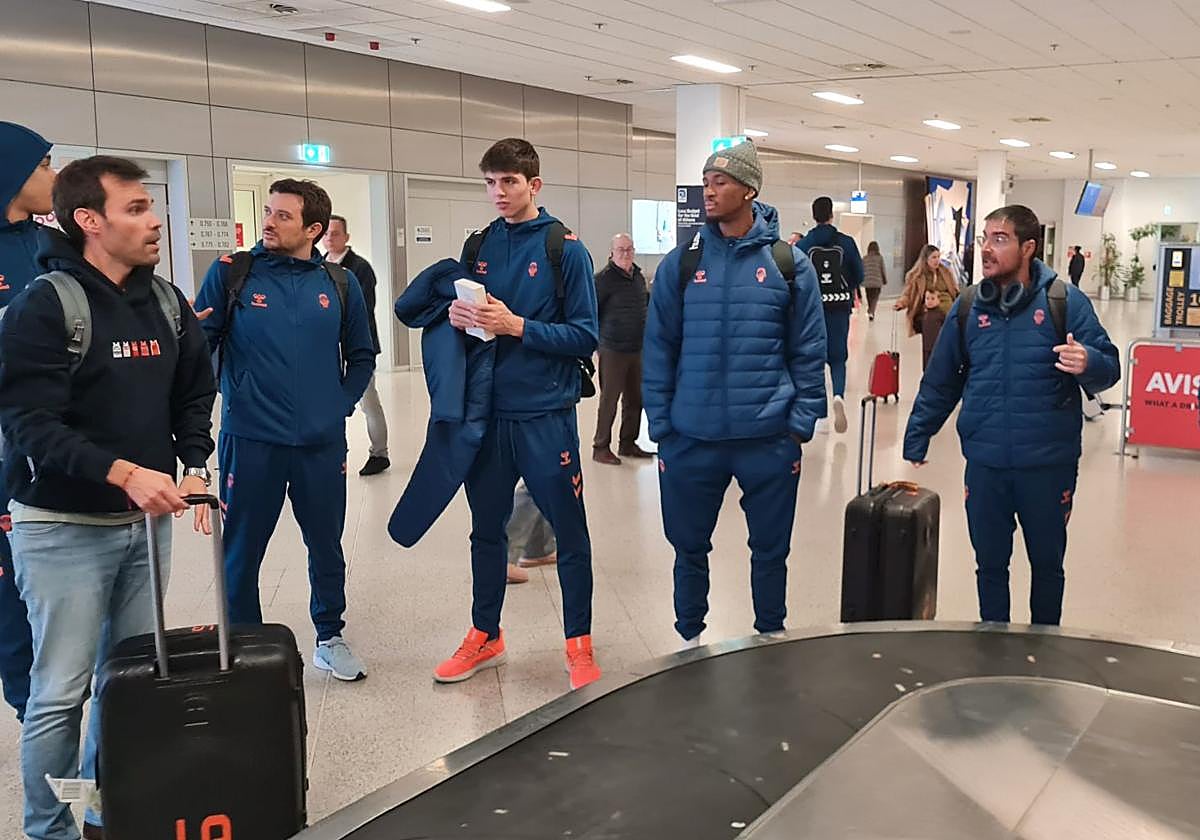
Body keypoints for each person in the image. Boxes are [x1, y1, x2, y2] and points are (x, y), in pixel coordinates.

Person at [0, 155, 216, 840]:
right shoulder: (45, 303)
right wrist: (123, 471)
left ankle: (101, 811)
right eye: (135, 209)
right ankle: (50, 829)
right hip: (61, 528)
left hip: (144, 528)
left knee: (125, 686)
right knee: (61, 693)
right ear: (88, 220)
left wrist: (194, 463)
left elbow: (194, 390)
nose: (154, 221)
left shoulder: (165, 302)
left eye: (151, 207)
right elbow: (29, 424)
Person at [642, 140, 827, 647]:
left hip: (767, 438)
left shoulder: (790, 264)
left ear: (749, 190)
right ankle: (687, 639)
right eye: (705, 182)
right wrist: (661, 425)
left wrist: (800, 423)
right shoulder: (681, 264)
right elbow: (658, 348)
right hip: (691, 437)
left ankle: (769, 635)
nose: (709, 191)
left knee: (770, 550)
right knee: (687, 547)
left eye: (720, 182)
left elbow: (809, 349)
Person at [435, 138, 601, 690]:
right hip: (487, 415)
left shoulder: (565, 249)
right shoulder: (478, 244)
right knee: (487, 530)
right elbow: (460, 321)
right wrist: (458, 317)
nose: (497, 192)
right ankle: (487, 634)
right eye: (489, 182)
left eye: (508, 181)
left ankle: (578, 643)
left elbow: (585, 334)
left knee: (570, 535)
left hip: (545, 414)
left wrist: (518, 326)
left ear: (534, 185)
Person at [903, 205, 1121, 626]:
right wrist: (918, 435)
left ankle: (1045, 648)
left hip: (1048, 464)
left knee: (1047, 568)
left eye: (999, 239)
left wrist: (1088, 360)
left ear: (1028, 248)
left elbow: (1109, 366)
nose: (986, 248)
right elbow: (941, 379)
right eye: (984, 238)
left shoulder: (1063, 300)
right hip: (986, 465)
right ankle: (994, 648)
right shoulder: (969, 306)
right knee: (989, 568)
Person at [196, 179, 376, 683]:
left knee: (326, 544)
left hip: (320, 444)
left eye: (282, 216)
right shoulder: (233, 273)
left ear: (313, 229)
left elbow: (362, 356)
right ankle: (247, 648)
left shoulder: (339, 285)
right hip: (250, 439)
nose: (268, 223)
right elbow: (201, 347)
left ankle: (329, 635)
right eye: (268, 213)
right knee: (242, 547)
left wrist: (338, 403)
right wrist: (235, 393)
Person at [0, 121, 56, 727]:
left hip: (55, 449)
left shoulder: (49, 243)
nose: (53, 176)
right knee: (11, 602)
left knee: (58, 597)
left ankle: (72, 715)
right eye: (44, 165)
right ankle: (30, 713)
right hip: (4, 451)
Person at [324, 214, 389, 476]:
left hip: (357, 347)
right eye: (327, 233)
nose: (330, 238)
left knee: (367, 401)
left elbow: (362, 311)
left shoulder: (359, 269)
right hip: (328, 349)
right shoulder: (318, 265)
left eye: (336, 233)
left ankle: (380, 452)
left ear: (346, 237)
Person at [796, 196, 863, 434]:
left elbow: (795, 275)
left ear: (814, 216)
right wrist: (849, 289)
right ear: (832, 214)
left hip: (813, 309)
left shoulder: (804, 245)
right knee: (837, 358)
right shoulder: (846, 242)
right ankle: (839, 395)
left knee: (814, 357)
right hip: (839, 307)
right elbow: (859, 273)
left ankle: (819, 409)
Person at [592, 233, 651, 465]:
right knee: (609, 400)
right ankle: (600, 446)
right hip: (612, 349)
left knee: (635, 399)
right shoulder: (603, 279)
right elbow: (591, 313)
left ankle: (628, 443)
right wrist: (596, 344)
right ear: (612, 253)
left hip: (637, 349)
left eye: (629, 249)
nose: (626, 254)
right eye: (621, 250)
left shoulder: (637, 276)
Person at [895, 245, 960, 368]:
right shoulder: (917, 276)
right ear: (926, 259)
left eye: (938, 257)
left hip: (947, 309)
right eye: (933, 257)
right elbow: (908, 294)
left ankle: (942, 362)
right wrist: (901, 303)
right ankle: (931, 362)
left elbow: (955, 292)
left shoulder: (946, 273)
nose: (937, 260)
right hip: (927, 311)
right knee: (931, 320)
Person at [861, 240, 887, 321]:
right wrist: (885, 280)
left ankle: (870, 311)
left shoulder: (865, 258)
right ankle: (871, 312)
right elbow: (883, 269)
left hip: (867, 282)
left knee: (869, 297)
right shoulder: (880, 258)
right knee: (874, 298)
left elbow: (862, 270)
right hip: (877, 281)